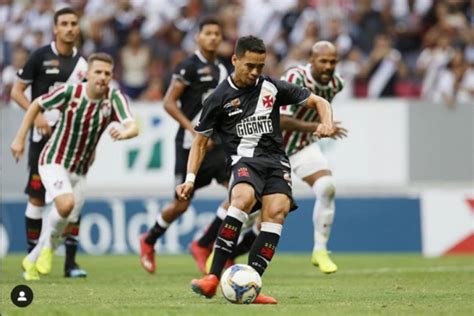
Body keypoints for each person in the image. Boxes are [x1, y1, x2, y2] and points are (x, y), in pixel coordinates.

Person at [176, 35, 335, 304]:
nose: (254, 72)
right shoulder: (218, 98)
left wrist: (327, 122)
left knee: (277, 213)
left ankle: (253, 283)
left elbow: (319, 101)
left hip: (276, 161)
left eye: (260, 66)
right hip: (245, 161)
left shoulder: (271, 87)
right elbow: (199, 142)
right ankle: (212, 278)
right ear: (235, 59)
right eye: (249, 65)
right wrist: (190, 179)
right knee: (242, 200)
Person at [11, 52, 139, 281]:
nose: (102, 77)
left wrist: (124, 132)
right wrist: (20, 138)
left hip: (80, 171)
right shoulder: (71, 92)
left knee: (67, 218)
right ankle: (48, 249)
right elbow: (35, 106)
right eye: (97, 72)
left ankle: (32, 260)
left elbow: (133, 126)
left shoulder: (114, 98)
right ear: (87, 74)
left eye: (107, 73)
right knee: (65, 203)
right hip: (53, 160)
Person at [139, 17, 230, 274]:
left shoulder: (223, 70)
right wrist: (194, 130)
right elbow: (168, 102)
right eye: (208, 33)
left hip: (218, 144)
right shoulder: (188, 66)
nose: (213, 37)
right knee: (181, 203)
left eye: (217, 33)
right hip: (190, 144)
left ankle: (205, 244)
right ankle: (149, 239)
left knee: (240, 194)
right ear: (198, 37)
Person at [10, 7, 88, 278]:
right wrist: (37, 115)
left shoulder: (84, 65)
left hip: (71, 143)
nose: (69, 28)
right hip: (41, 140)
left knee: (74, 201)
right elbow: (16, 91)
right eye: (64, 23)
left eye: (73, 23)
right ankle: (33, 256)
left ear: (78, 28)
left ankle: (71, 263)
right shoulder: (40, 56)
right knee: (36, 198)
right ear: (55, 28)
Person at [280, 41, 347, 273]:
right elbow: (280, 119)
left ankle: (320, 250)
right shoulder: (295, 77)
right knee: (252, 209)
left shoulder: (337, 83)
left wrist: (325, 125)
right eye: (323, 61)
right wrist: (318, 126)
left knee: (327, 186)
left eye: (333, 61)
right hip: (271, 148)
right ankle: (216, 249)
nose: (329, 66)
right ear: (312, 61)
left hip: (300, 147)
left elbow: (319, 113)